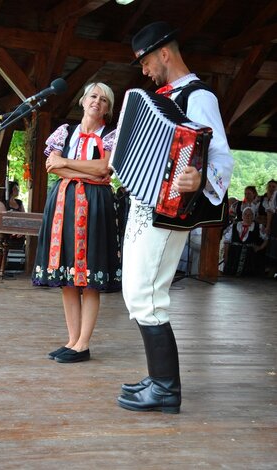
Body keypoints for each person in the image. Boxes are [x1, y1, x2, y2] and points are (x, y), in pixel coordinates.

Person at [117, 21, 234, 413]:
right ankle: (157, 377)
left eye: (147, 62)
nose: (145, 72)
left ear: (165, 53)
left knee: (147, 294)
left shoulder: (199, 97)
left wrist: (199, 178)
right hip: (144, 206)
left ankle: (166, 388)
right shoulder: (163, 95)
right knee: (135, 293)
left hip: (168, 211)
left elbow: (220, 157)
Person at [32, 82, 122, 363]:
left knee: (90, 277)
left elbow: (103, 168)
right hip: (64, 202)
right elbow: (51, 165)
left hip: (95, 205)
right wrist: (81, 169)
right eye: (93, 96)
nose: (98, 101)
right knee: (68, 278)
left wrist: (66, 164)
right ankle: (72, 341)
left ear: (108, 109)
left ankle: (83, 344)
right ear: (83, 101)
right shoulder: (65, 132)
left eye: (104, 100)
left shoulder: (110, 135)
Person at [223, 207, 268, 276]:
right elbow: (227, 241)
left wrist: (259, 247)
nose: (247, 216)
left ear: (253, 216)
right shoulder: (234, 226)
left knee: (247, 277)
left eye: (250, 214)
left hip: (250, 257)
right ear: (242, 216)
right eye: (245, 214)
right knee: (231, 276)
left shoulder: (259, 227)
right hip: (234, 255)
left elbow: (266, 238)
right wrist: (226, 255)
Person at [0, 180, 26, 250]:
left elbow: (24, 217)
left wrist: (21, 230)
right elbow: (2, 219)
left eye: (18, 188)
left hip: (19, 234)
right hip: (6, 235)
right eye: (16, 188)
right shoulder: (1, 202)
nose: (18, 190)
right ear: (10, 189)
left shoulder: (19, 202)